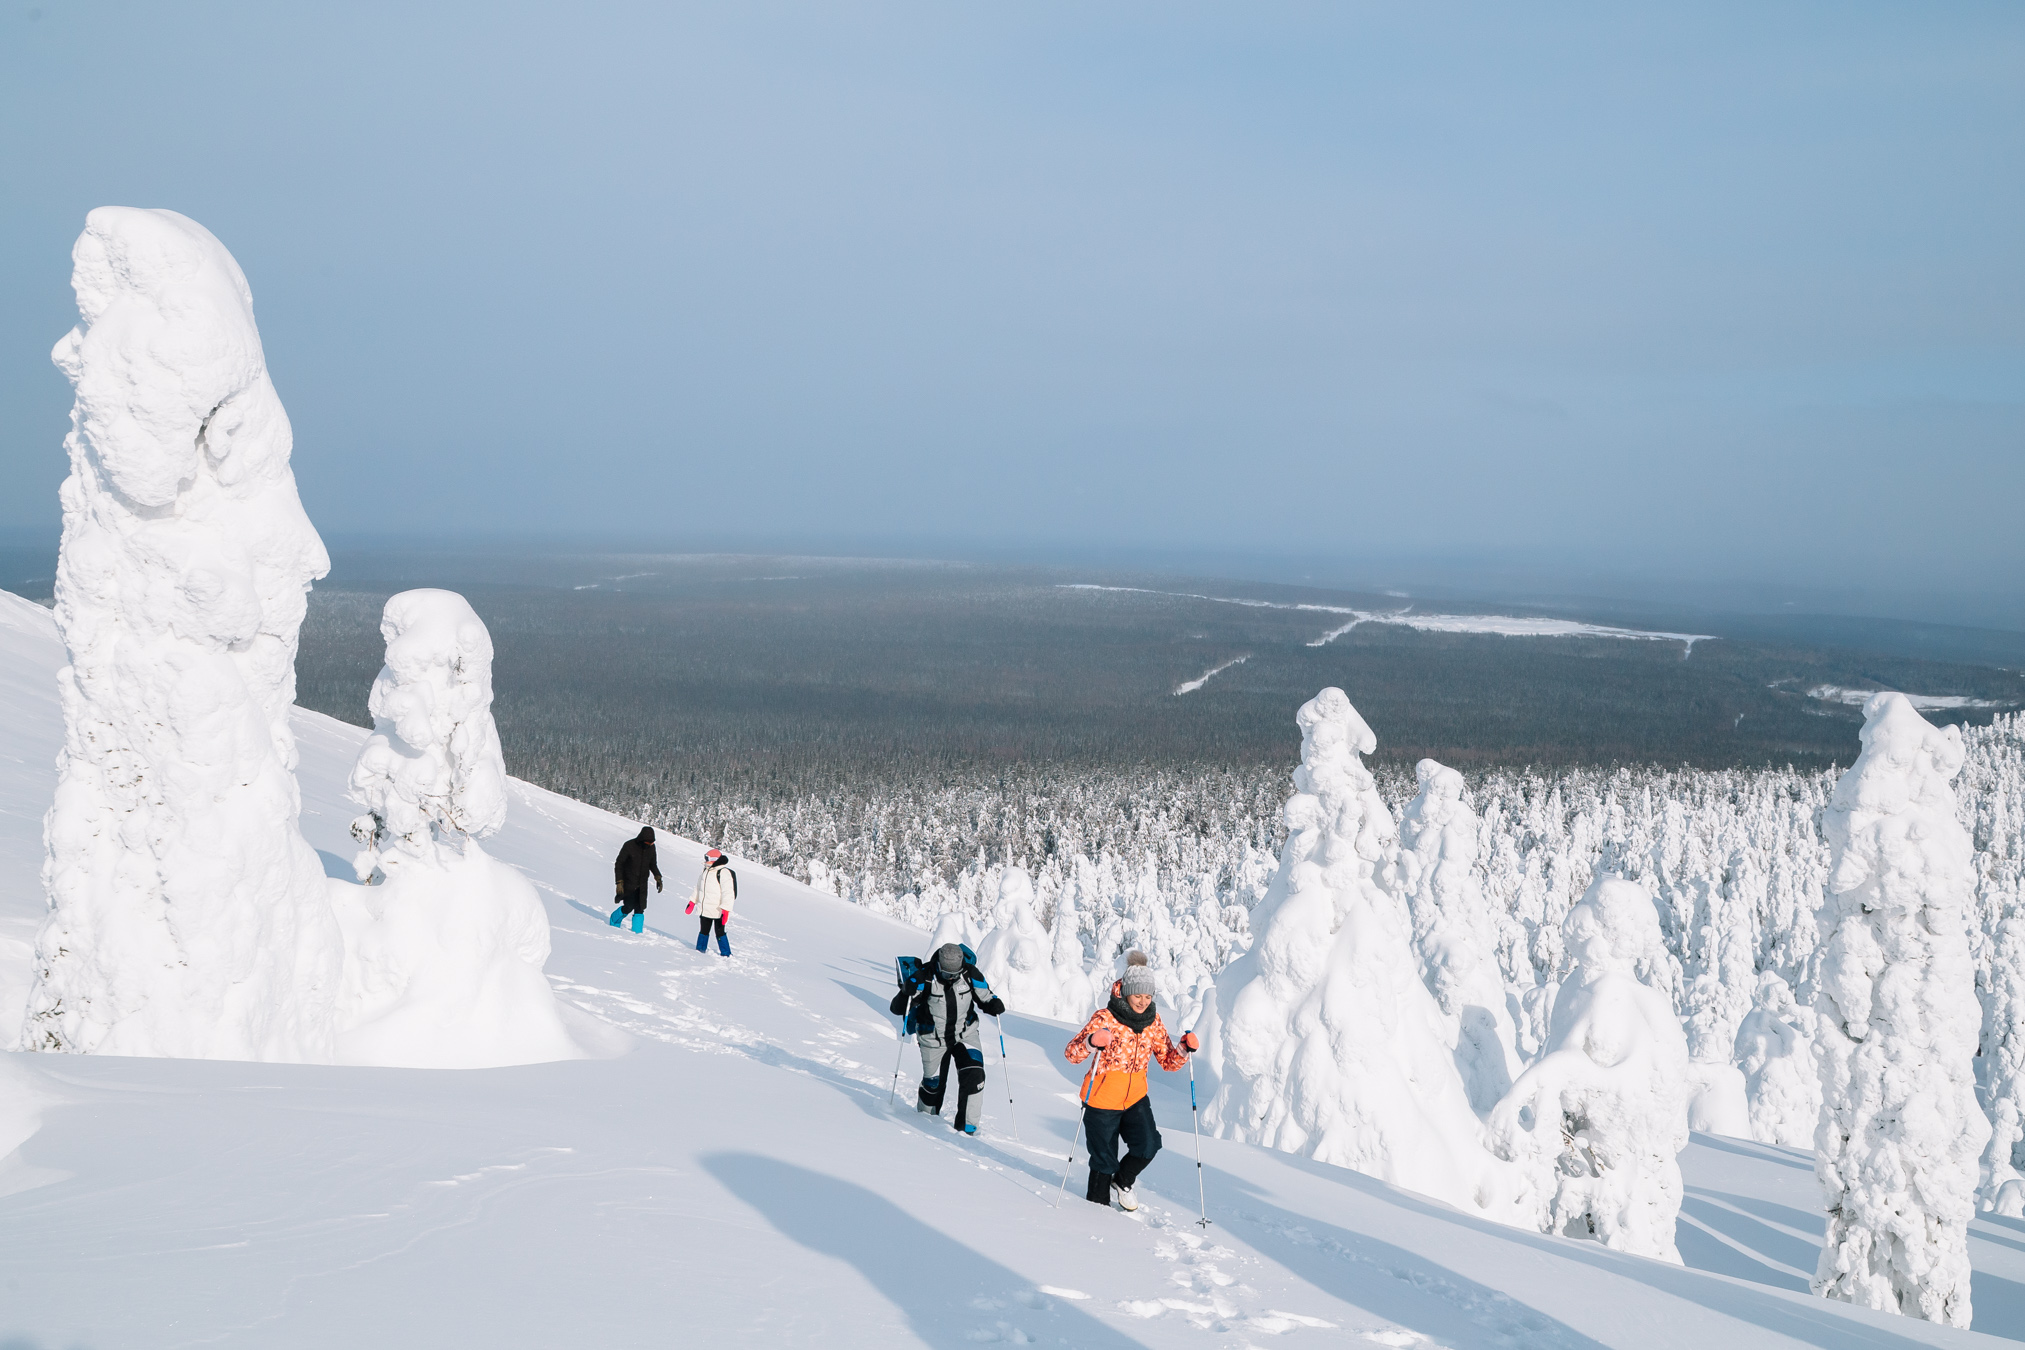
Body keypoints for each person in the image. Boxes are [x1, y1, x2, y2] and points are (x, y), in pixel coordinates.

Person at [1063, 951, 1199, 1211]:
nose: (1143, 1002)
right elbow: (1071, 1053)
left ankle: (1123, 1181)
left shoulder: (1153, 1021)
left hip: (1135, 1096)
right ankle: (1096, 1213)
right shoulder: (1105, 1018)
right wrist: (1092, 1042)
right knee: (1104, 1162)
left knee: (1148, 1145)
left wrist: (1183, 1048)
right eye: (1138, 995)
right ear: (1125, 992)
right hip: (1101, 1099)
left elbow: (1168, 1062)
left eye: (1148, 996)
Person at [890, 941, 1005, 1135]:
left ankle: (967, 1131)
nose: (951, 978)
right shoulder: (924, 977)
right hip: (933, 1040)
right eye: (946, 974)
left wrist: (993, 1004)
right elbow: (897, 1008)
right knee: (933, 1085)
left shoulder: (970, 974)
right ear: (939, 966)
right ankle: (925, 1123)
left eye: (955, 974)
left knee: (974, 1076)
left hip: (965, 1035)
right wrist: (905, 992)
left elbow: (985, 997)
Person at [610, 826, 662, 933]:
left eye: (652, 843)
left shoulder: (651, 848)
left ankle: (637, 933)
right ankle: (614, 919)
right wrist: (619, 882)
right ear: (642, 840)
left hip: (642, 884)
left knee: (640, 909)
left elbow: (653, 864)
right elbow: (619, 864)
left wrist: (658, 877)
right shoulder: (629, 846)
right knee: (628, 907)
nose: (650, 845)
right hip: (629, 883)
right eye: (648, 843)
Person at [689, 848, 737, 956]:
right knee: (703, 930)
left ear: (714, 860)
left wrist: (726, 909)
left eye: (707, 858)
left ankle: (726, 954)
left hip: (718, 910)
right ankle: (699, 952)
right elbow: (698, 887)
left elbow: (728, 892)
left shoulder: (723, 872)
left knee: (719, 932)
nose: (705, 861)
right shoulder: (706, 871)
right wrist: (692, 901)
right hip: (705, 908)